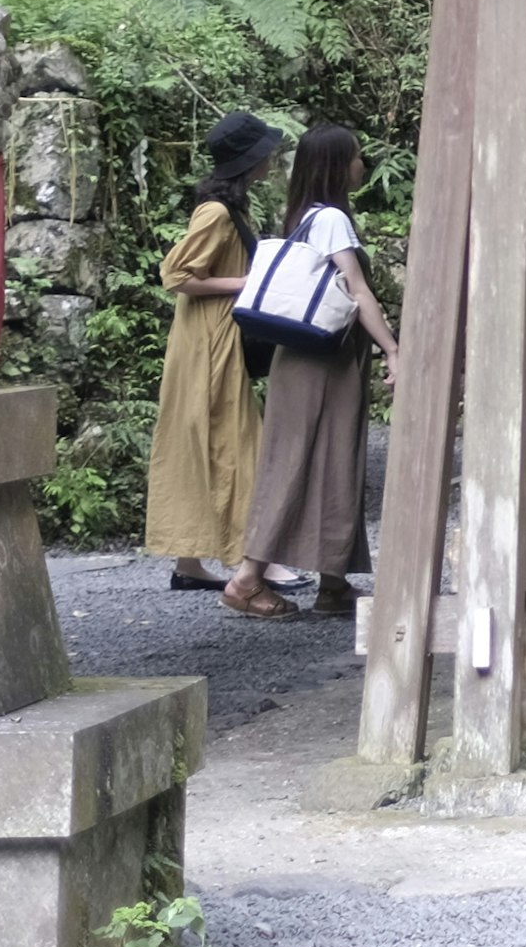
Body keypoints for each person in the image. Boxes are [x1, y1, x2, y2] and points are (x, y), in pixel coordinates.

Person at [234, 124, 397, 620]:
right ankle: (245, 578)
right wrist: (394, 349)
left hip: (315, 358)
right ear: (335, 164)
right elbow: (358, 291)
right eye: (355, 157)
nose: (361, 166)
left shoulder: (307, 214)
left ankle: (333, 581)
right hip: (320, 361)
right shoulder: (331, 220)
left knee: (332, 460)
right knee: (295, 461)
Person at [146, 113, 276, 591]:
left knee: (205, 437)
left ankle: (190, 562)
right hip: (209, 337)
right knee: (237, 440)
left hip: (214, 333)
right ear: (252, 160)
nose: (272, 159)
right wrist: (246, 283)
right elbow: (177, 275)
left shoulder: (233, 210)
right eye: (266, 153)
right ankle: (255, 558)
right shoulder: (217, 213)